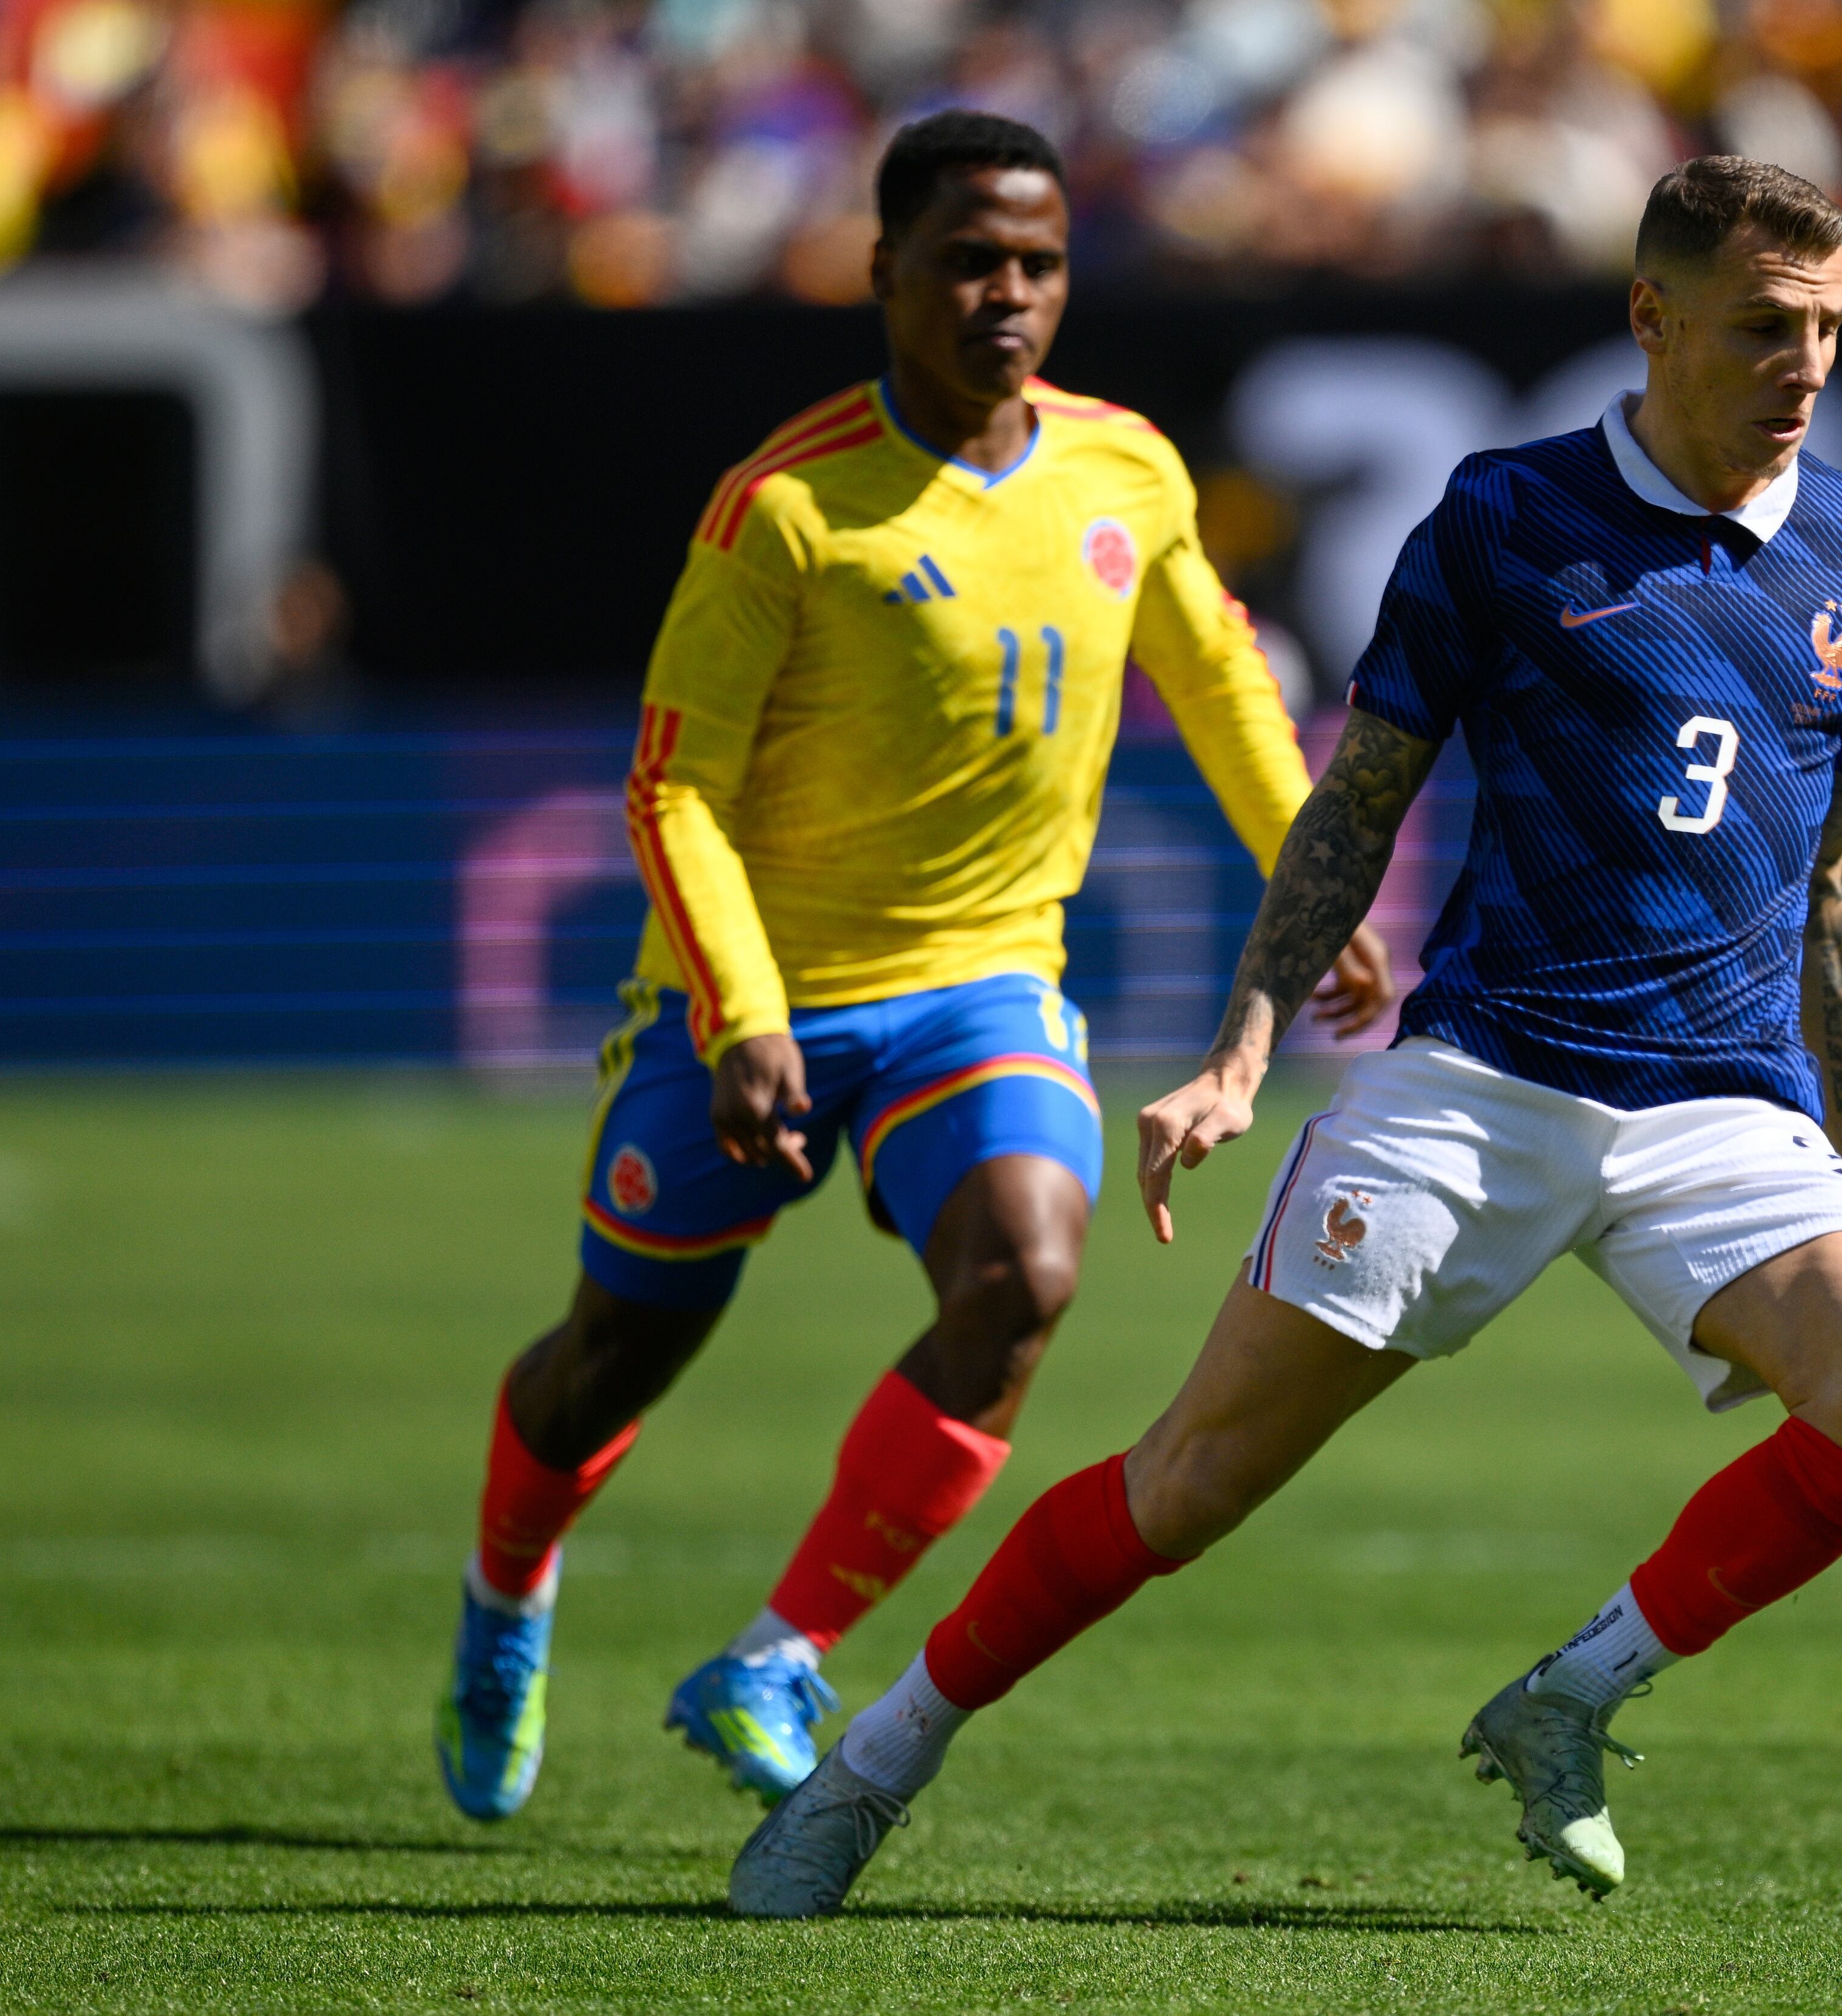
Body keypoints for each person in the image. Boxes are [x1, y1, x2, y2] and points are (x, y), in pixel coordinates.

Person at [724, 155, 1842, 1917]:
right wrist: (1243, 1051)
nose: (1808, 365)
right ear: (1653, 317)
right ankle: (876, 1760)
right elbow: (1358, 800)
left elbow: (1839, 871)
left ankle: (1573, 1696)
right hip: (1483, 1083)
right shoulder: (1506, 517)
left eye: (1830, 327)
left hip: (1723, 1103)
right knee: (1192, 1481)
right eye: (1769, 326)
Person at [432, 110, 1394, 1823]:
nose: (1006, 294)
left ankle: (776, 1656)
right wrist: (741, 1010)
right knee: (615, 1357)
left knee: (1027, 1275)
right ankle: (509, 1593)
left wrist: (1309, 874)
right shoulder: (786, 508)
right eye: (967, 261)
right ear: (884, 273)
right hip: (754, 1002)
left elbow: (1223, 684)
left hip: (983, 983)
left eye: (1038, 264)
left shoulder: (1127, 471)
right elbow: (673, 787)